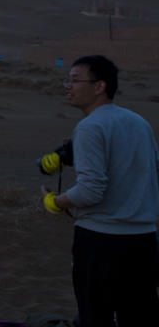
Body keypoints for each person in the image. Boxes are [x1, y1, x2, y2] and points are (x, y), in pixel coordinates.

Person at [40, 55, 159, 326]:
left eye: (74, 80)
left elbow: (91, 190)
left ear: (99, 86)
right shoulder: (139, 122)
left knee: (95, 318)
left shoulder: (90, 127)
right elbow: (151, 170)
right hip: (143, 242)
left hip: (101, 243)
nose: (67, 86)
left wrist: (55, 202)